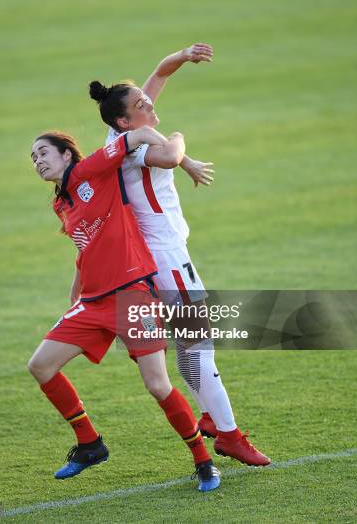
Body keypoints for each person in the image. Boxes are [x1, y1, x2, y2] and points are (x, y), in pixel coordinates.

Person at [86, 44, 271, 467]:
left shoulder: (122, 132)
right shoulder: (134, 146)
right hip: (166, 257)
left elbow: (160, 73)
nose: (150, 105)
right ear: (124, 121)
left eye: (146, 100)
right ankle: (230, 436)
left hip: (161, 255)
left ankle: (210, 418)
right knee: (199, 346)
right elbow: (169, 155)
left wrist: (185, 55)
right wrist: (181, 144)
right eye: (141, 105)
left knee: (190, 347)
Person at [28, 127, 221, 491]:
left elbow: (139, 132)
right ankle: (90, 444)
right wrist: (76, 294)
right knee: (40, 365)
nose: (37, 161)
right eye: (33, 158)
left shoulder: (95, 170)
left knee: (157, 385)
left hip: (133, 295)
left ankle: (204, 460)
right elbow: (85, 250)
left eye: (43, 153)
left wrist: (182, 155)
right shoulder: (61, 202)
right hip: (92, 301)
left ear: (66, 154)